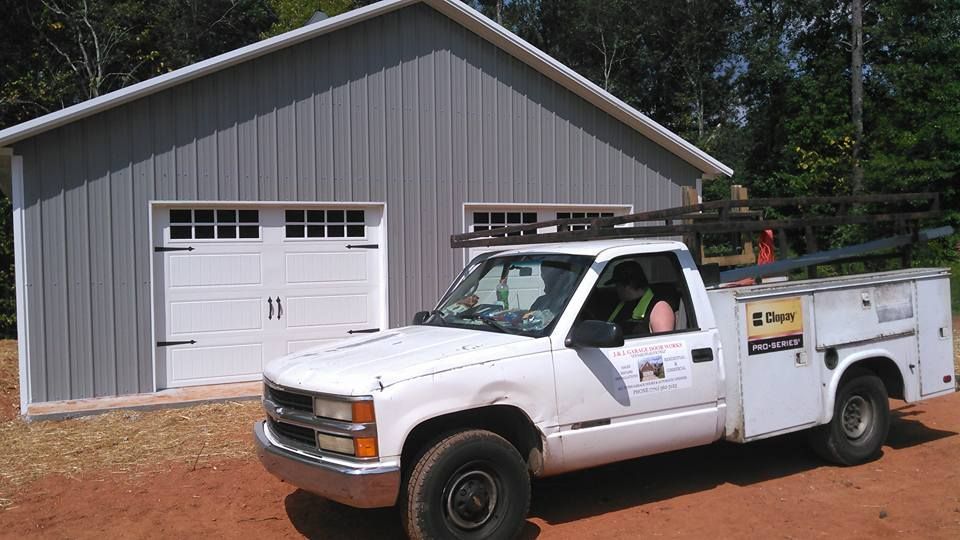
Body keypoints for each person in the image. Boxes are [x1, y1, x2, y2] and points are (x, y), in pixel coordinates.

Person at [604, 260, 676, 335]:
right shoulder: (623, 303)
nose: (616, 289)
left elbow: (665, 343)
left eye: (618, 285)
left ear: (628, 285)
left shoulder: (659, 307)